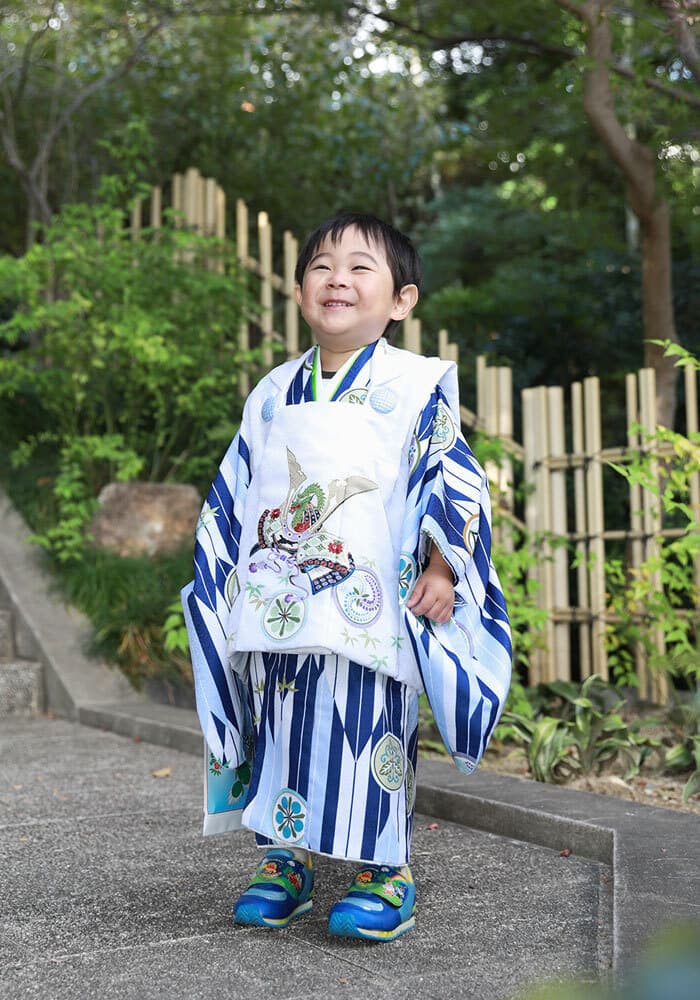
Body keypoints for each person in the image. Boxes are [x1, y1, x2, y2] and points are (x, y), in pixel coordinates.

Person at [182, 213, 512, 942]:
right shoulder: (272, 392)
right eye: (321, 266)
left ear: (402, 301)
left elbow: (450, 478)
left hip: (370, 600)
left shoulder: (417, 383)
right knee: (281, 724)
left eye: (362, 267)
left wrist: (443, 564)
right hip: (277, 598)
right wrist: (219, 577)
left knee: (368, 728)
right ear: (300, 290)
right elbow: (235, 491)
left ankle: (383, 872)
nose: (338, 278)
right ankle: (283, 862)